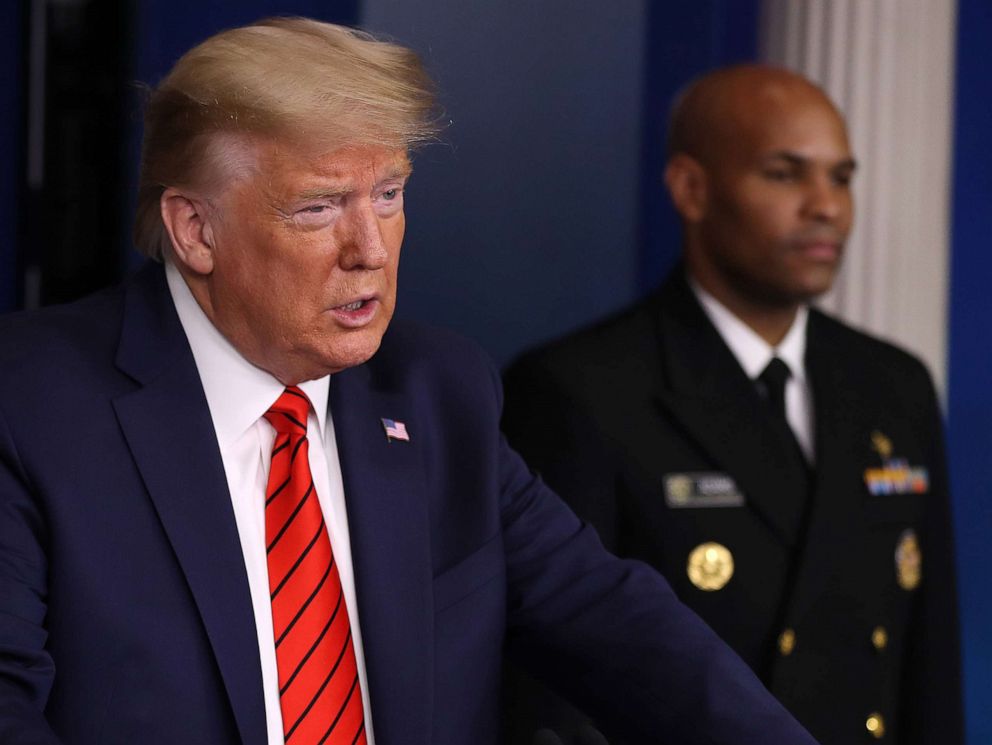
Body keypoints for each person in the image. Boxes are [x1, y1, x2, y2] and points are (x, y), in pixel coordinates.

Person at [0, 21, 818, 745]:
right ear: (195, 229)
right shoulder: (31, 402)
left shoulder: (437, 392)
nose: (372, 248)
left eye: (389, 195)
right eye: (319, 208)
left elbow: (616, 624)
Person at [502, 65, 963, 744]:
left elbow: (928, 668)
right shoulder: (580, 387)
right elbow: (555, 685)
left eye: (841, 177)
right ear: (692, 188)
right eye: (785, 173)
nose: (826, 206)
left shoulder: (894, 384)